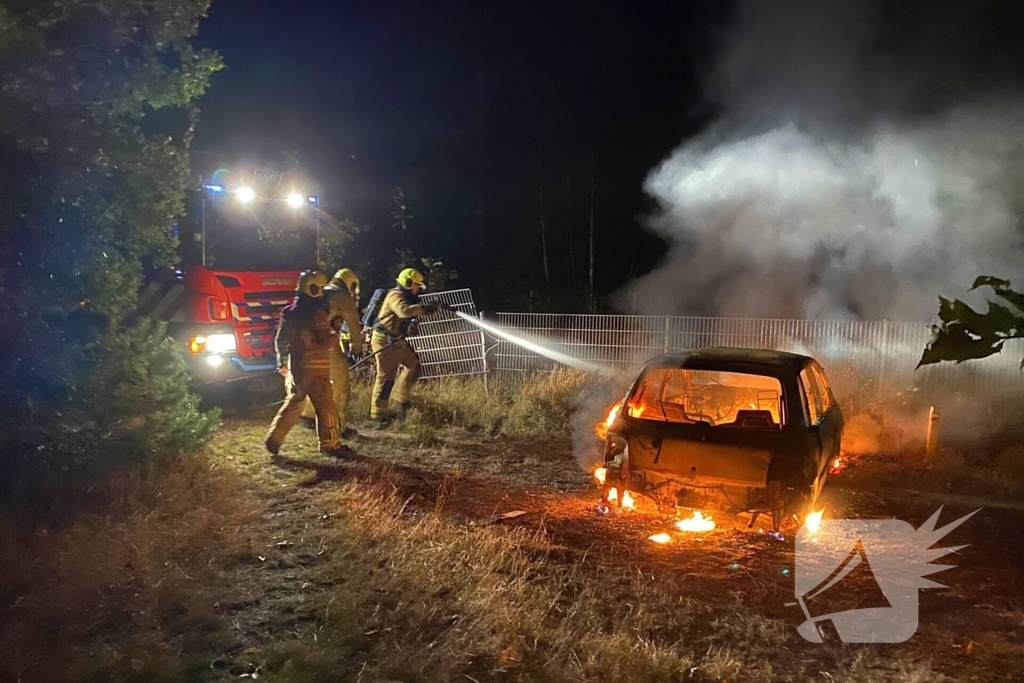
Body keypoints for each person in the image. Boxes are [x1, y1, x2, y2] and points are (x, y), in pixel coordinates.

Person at [265, 270, 348, 457]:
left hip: (296, 367)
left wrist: (282, 362)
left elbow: (280, 340)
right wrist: (335, 332)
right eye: (320, 288)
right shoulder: (318, 313)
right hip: (317, 368)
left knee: (294, 403)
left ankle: (274, 438)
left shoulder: (289, 313)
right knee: (326, 407)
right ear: (314, 289)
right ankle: (331, 445)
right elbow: (324, 340)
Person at [370, 268, 440, 422]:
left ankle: (401, 401)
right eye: (416, 286)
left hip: (396, 340)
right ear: (407, 283)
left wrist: (417, 320)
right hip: (384, 339)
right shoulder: (395, 295)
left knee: (413, 365)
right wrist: (423, 308)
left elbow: (407, 318)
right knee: (386, 377)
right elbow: (403, 312)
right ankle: (378, 414)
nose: (417, 290)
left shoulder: (408, 299)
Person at [299, 268, 363, 437]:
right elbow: (354, 324)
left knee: (315, 380)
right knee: (340, 384)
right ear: (350, 283)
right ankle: (339, 427)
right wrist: (357, 347)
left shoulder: (322, 292)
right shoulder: (342, 296)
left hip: (308, 344)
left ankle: (308, 416)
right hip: (328, 344)